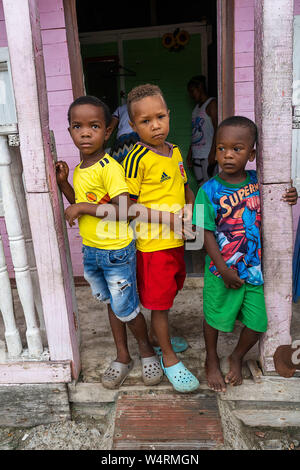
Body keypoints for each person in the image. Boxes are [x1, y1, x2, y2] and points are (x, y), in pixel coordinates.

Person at [55, 95, 163, 390]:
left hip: (116, 251)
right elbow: (80, 202)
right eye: (78, 126)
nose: (85, 132)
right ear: (70, 132)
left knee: (126, 308)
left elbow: (124, 211)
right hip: (92, 250)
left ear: (107, 131)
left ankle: (146, 351)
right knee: (111, 304)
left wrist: (82, 208)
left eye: (94, 126)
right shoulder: (82, 169)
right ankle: (122, 356)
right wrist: (65, 183)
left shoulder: (109, 167)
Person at [192, 115, 298, 392]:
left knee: (258, 322)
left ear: (251, 154)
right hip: (220, 269)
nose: (227, 155)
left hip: (252, 269)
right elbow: (203, 232)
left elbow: (278, 200)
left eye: (237, 149)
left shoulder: (260, 183)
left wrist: (289, 195)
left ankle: (236, 355)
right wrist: (223, 268)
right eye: (221, 148)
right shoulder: (207, 190)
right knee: (213, 316)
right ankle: (211, 359)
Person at [123, 83, 200, 393]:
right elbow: (126, 206)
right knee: (159, 305)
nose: (155, 126)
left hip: (176, 242)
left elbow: (183, 187)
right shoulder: (136, 157)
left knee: (169, 294)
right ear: (133, 125)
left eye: (160, 117)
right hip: (152, 246)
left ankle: (159, 337)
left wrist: (191, 211)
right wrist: (167, 218)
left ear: (169, 115)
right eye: (145, 121)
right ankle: (168, 358)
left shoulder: (175, 150)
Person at [186, 75, 218, 186]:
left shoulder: (211, 104)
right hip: (197, 154)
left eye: (192, 91)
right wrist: (190, 153)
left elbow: (217, 129)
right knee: (201, 187)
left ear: (200, 87)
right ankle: (201, 205)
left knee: (211, 186)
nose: (191, 95)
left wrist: (213, 152)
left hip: (207, 154)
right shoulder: (196, 108)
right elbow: (195, 133)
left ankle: (212, 205)